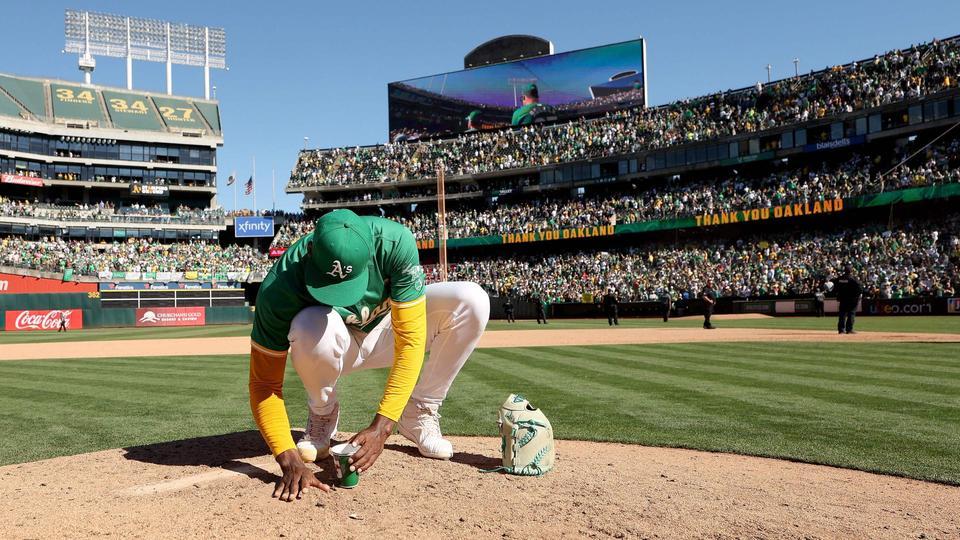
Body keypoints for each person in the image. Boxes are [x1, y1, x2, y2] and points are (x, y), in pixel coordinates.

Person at [248, 209, 490, 502]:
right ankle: (322, 414)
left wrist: (383, 425)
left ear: (370, 255)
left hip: (387, 331)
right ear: (309, 250)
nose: (341, 294)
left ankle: (420, 411)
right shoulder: (279, 285)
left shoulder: (394, 243)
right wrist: (288, 459)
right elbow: (264, 385)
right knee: (306, 324)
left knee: (472, 300)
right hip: (333, 342)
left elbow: (411, 342)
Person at [834, 265, 862, 334]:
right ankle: (849, 329)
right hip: (852, 299)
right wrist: (857, 296)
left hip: (843, 299)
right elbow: (859, 288)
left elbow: (835, 287)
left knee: (842, 314)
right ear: (851, 271)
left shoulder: (839, 278)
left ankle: (841, 330)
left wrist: (838, 295)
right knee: (851, 314)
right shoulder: (853, 279)